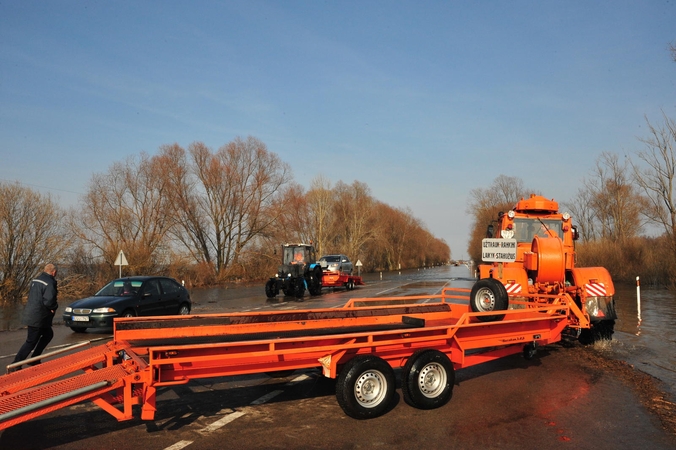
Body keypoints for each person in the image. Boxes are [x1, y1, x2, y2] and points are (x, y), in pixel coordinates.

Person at [13, 263, 58, 367]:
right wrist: (53, 307)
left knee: (48, 335)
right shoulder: (50, 282)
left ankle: (35, 358)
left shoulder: (36, 280)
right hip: (39, 317)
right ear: (54, 272)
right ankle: (16, 364)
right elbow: (49, 301)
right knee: (31, 341)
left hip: (32, 313)